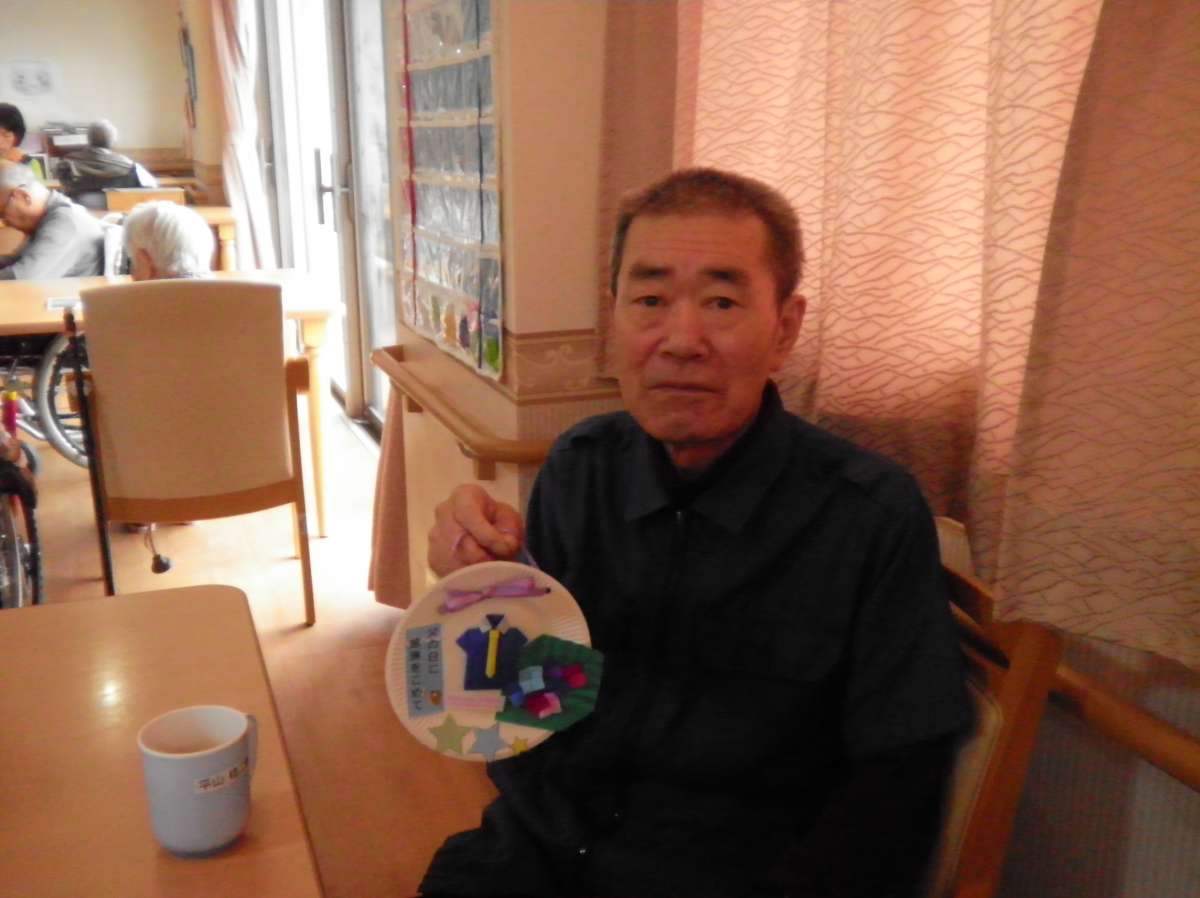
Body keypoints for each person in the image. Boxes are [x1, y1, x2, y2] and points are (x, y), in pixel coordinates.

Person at [419, 168, 971, 898]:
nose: (681, 340)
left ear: (785, 329)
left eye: (721, 302)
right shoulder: (580, 469)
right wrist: (477, 592)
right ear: (614, 319)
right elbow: (528, 709)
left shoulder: (867, 515)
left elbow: (896, 791)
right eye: (650, 300)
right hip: (535, 854)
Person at [0, 160, 103, 280]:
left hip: (65, 291)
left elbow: (22, 278)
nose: (4, 222)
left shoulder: (65, 222)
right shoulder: (48, 216)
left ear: (23, 196)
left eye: (2, 213)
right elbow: (20, 260)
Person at [54, 119, 157, 208]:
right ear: (113, 141)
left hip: (80, 218)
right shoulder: (132, 167)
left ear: (89, 139)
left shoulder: (67, 164)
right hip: (118, 217)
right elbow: (152, 187)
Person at [121, 200, 214, 281]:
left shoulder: (123, 296)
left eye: (134, 264)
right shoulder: (221, 293)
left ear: (144, 263)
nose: (133, 275)